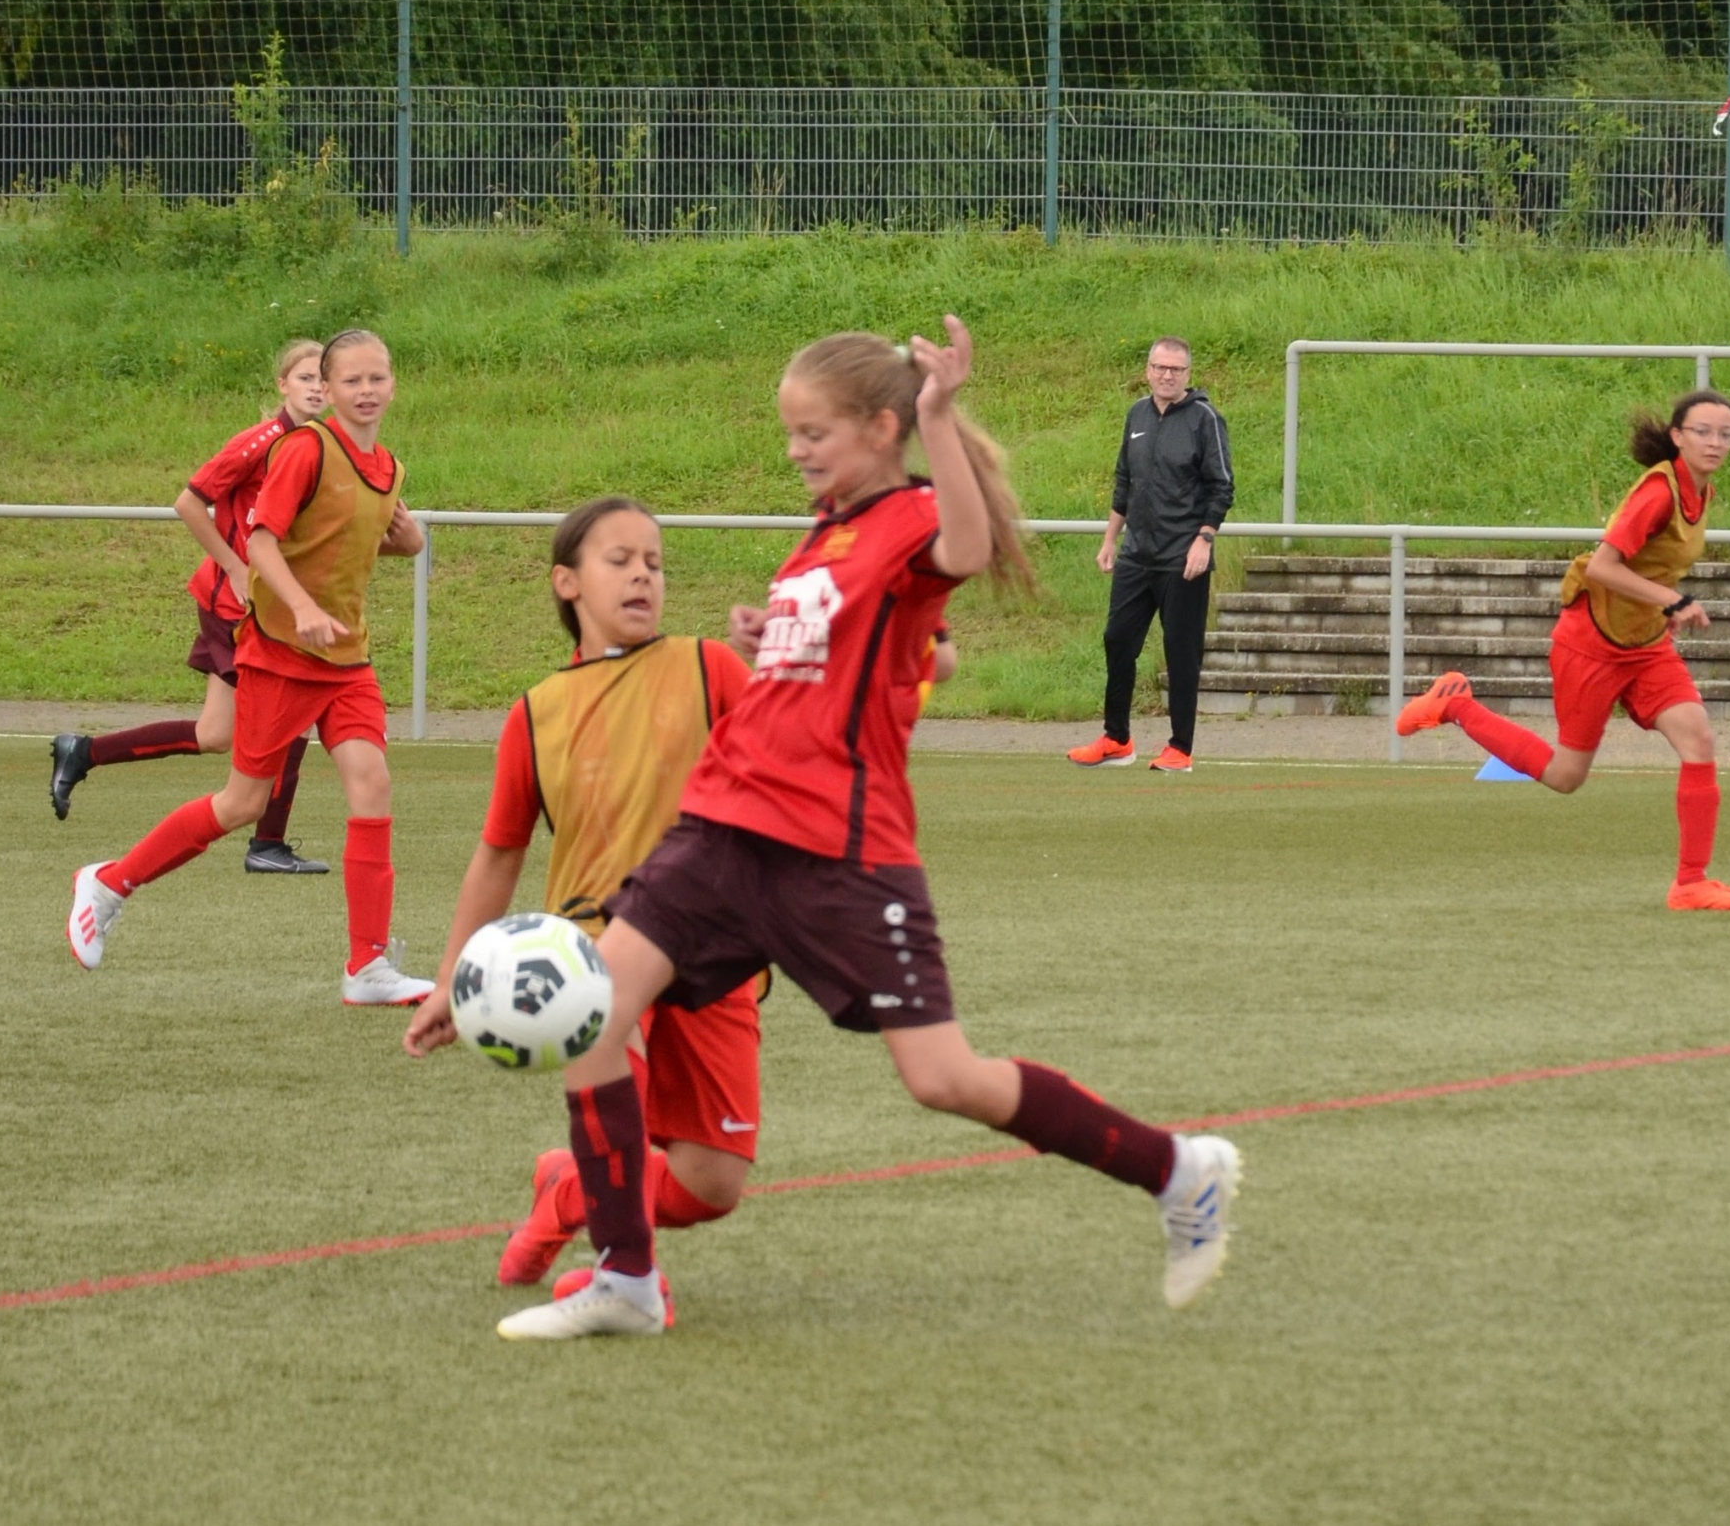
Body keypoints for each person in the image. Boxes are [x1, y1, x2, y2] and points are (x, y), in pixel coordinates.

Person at [491, 318, 1241, 1342]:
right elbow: (832, 657)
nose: (795, 449)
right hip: (724, 826)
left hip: (836, 849)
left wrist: (941, 414)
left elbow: (964, 551)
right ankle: (627, 1276)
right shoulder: (824, 530)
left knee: (944, 1077)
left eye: (814, 432)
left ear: (881, 429)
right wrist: (774, 633)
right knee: (592, 1012)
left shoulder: (912, 514)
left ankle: (1179, 1169)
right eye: (791, 431)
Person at [403, 497, 761, 1300]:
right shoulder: (536, 713)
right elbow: (499, 853)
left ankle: (569, 1191)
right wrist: (450, 978)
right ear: (566, 582)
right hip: (591, 952)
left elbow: (787, 752)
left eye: (654, 563)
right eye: (619, 560)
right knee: (607, 1057)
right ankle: (626, 1276)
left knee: (712, 1184)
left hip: (713, 948)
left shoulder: (709, 668)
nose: (642, 575)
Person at [66, 328, 438, 1002]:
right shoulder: (303, 449)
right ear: (328, 388)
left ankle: (366, 967)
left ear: (393, 384)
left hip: (347, 661)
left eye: (376, 377)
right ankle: (109, 882)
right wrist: (301, 607)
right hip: (281, 654)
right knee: (243, 803)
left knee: (372, 784)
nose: (365, 389)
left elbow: (347, 541)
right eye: (349, 379)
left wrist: (409, 544)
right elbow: (263, 541)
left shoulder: (389, 468)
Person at [1396, 388, 1730, 913]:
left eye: (1726, 433)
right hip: (1592, 643)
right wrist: (1673, 601)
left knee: (1698, 739)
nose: (1715, 442)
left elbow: (1653, 567)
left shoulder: (1702, 493)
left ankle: (1690, 884)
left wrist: (1661, 610)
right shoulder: (1658, 494)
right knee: (1566, 776)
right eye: (1703, 431)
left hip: (1645, 645)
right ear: (1677, 437)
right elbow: (1604, 567)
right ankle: (1456, 705)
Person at [48, 340, 331, 875]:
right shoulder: (259, 441)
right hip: (237, 606)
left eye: (324, 379)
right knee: (292, 717)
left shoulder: (319, 446)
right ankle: (267, 845)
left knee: (214, 735)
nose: (316, 387)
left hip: (263, 605)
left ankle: (84, 751)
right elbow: (188, 502)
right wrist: (235, 567)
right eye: (305, 378)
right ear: (282, 385)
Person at [1069, 337, 1234, 775]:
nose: (1167, 375)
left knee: (1181, 652)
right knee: (1117, 640)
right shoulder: (1137, 414)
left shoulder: (1205, 419)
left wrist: (1204, 539)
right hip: (1136, 555)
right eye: (1160, 367)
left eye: (1176, 369)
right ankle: (1116, 739)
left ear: (1188, 375)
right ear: (1147, 370)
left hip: (1183, 558)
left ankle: (1180, 748)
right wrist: (1110, 540)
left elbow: (1222, 486)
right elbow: (1125, 480)